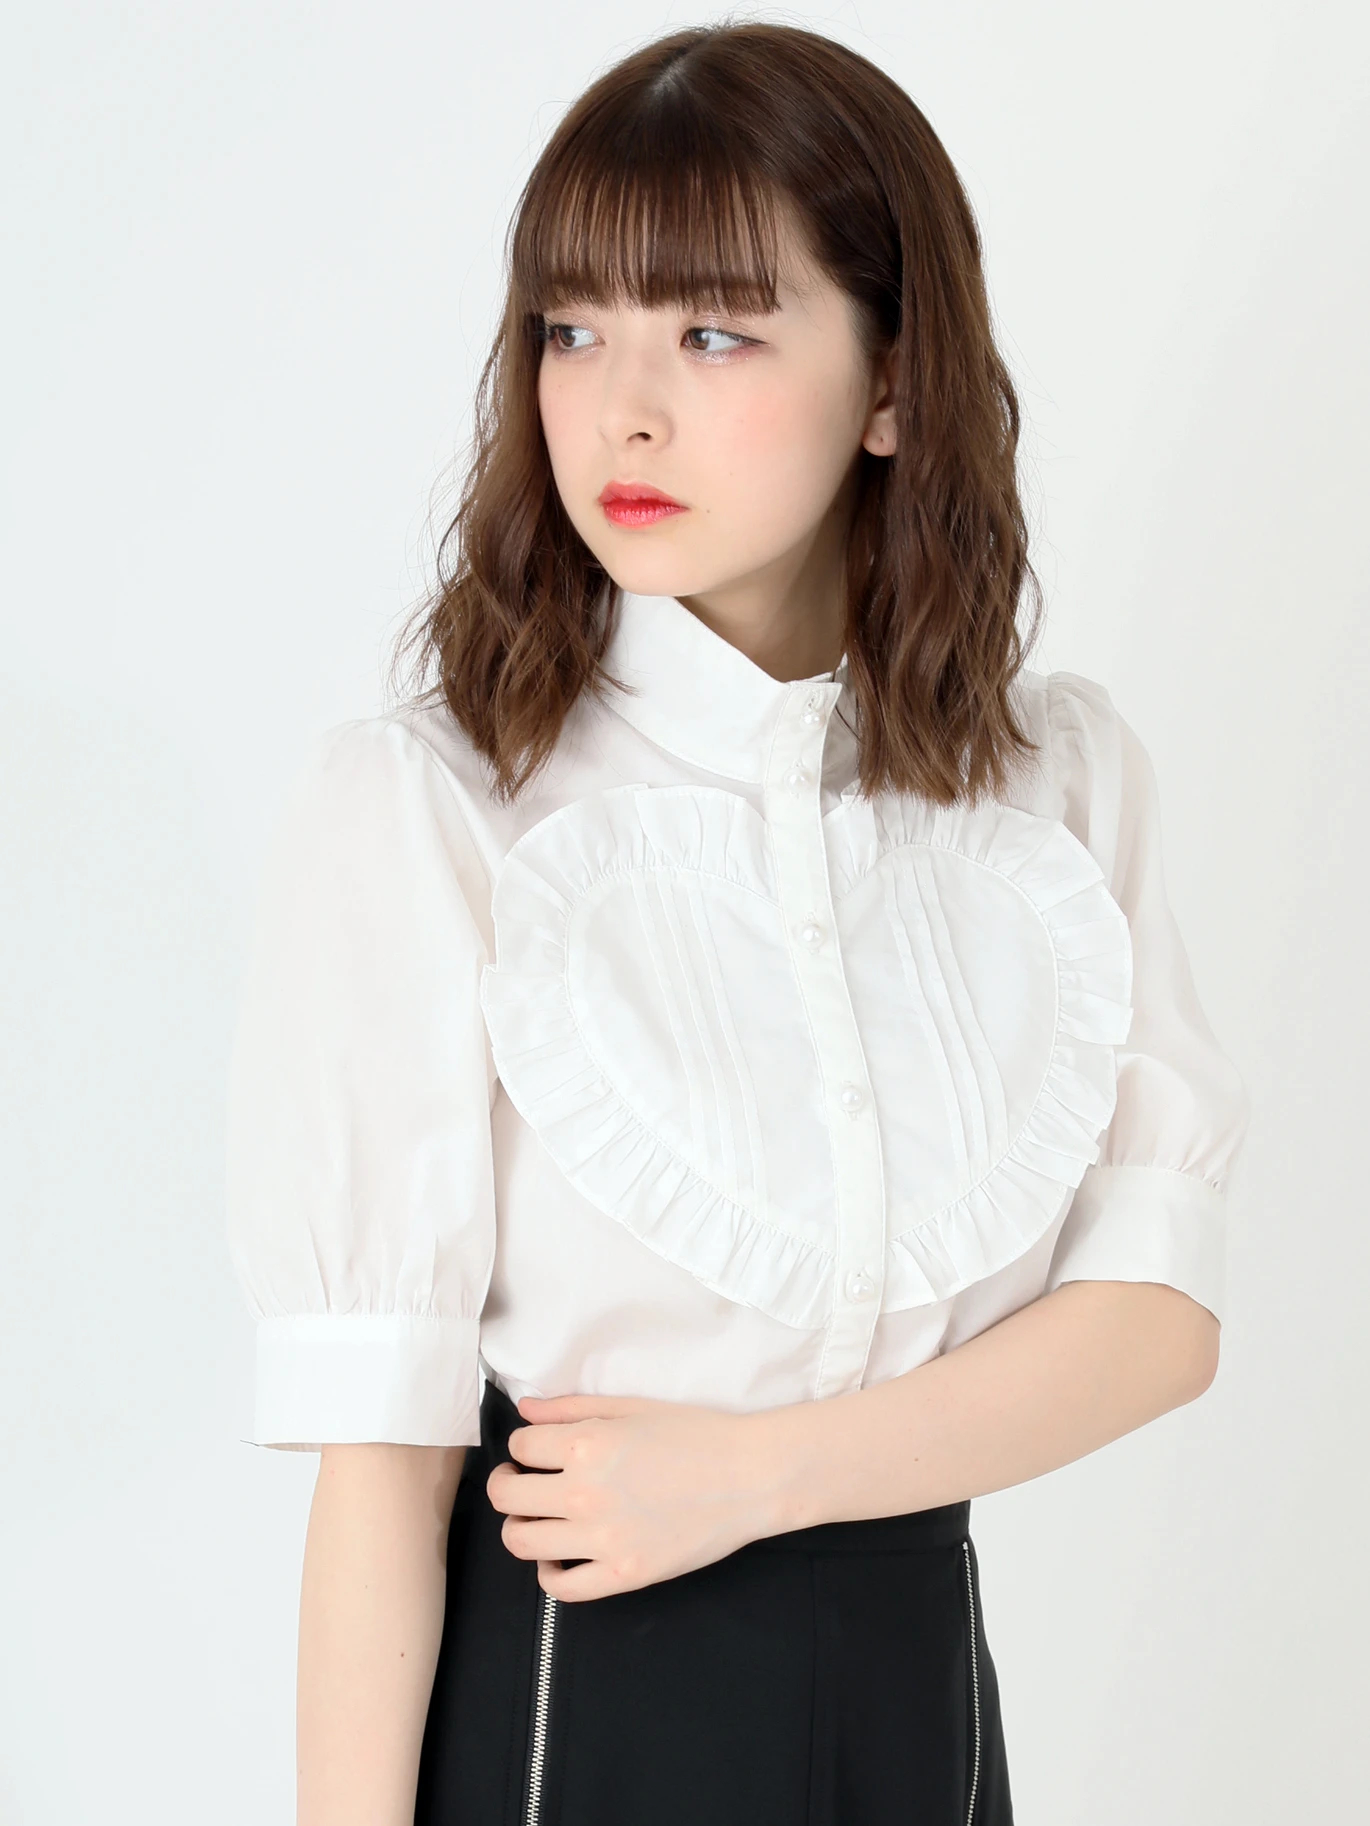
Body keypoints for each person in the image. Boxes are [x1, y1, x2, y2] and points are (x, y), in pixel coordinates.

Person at [225, 22, 1251, 1826]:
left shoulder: (1054, 783)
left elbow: (1154, 1313)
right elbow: (380, 1469)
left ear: (893, 383)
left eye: (711, 333)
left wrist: (758, 1474)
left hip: (919, 1703)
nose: (620, 408)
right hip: (572, 1709)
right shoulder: (437, 807)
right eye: (570, 328)